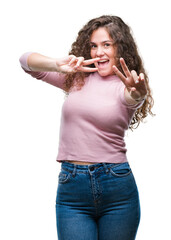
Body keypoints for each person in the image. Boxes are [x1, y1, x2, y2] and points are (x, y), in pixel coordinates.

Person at [19, 15, 154, 240]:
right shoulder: (77, 79)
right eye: (93, 46)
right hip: (72, 191)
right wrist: (57, 65)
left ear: (121, 48)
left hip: (117, 188)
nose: (98, 52)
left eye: (106, 45)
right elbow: (25, 62)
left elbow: (134, 96)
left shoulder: (126, 87)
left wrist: (138, 93)